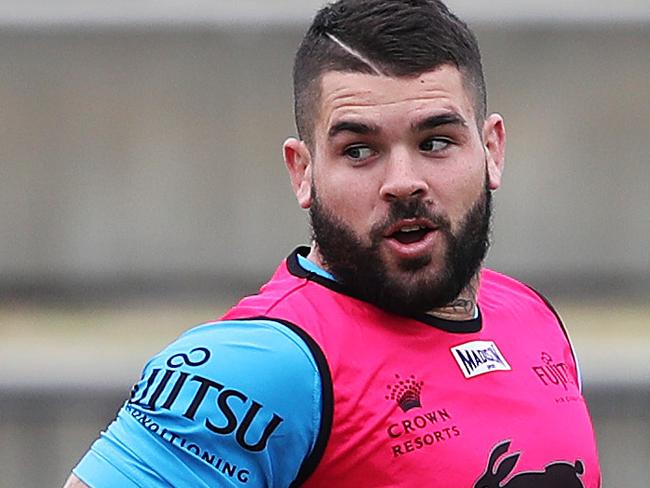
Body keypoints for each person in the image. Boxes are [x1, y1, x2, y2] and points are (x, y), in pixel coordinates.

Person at [64, 0, 601, 486]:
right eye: (360, 151)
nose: (403, 181)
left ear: (491, 150)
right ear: (303, 172)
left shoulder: (530, 316)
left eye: (436, 142)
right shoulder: (258, 366)